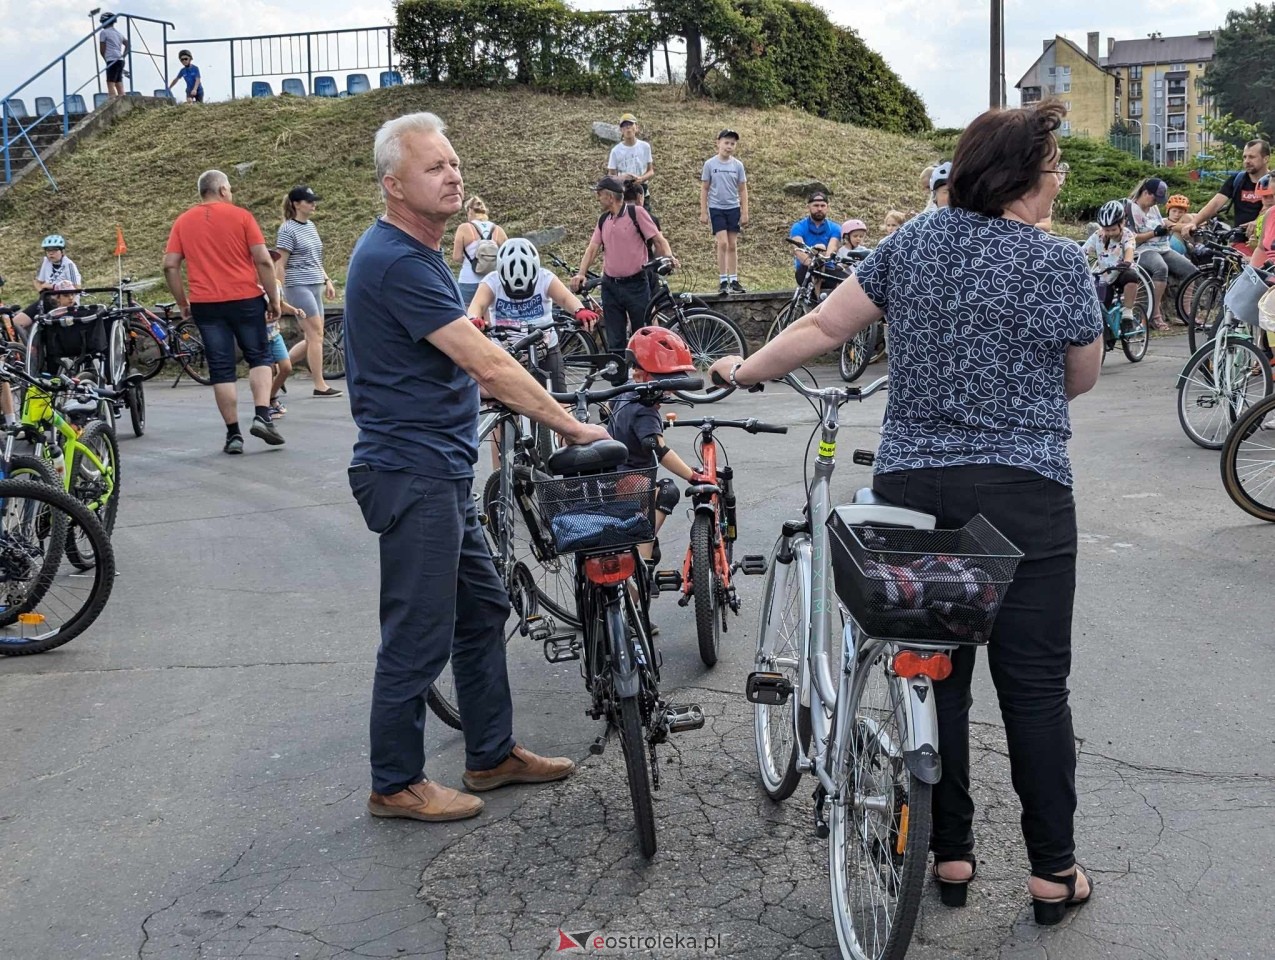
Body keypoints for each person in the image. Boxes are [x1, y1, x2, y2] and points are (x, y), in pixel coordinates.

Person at [709, 98, 1100, 925]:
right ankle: (1051, 873)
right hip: (1024, 494)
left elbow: (822, 324)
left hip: (913, 492)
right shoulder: (1060, 265)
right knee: (1032, 688)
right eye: (1054, 169)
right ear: (1023, 179)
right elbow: (1081, 378)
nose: (1058, 182)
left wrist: (745, 369)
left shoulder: (914, 242)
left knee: (939, 677)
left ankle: (947, 853)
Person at [345, 111, 609, 824]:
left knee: (483, 607)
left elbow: (476, 359)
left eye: (453, 161)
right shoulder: (397, 260)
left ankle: (490, 754)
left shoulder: (418, 252)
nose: (452, 173)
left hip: (437, 469)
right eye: (434, 167)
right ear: (394, 185)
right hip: (413, 472)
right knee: (417, 629)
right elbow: (485, 361)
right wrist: (570, 421)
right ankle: (394, 782)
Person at [163, 169, 284, 453]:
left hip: (206, 304)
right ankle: (263, 415)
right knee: (259, 357)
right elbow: (264, 262)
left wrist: (182, 302)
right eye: (229, 189)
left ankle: (233, 435)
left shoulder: (183, 221)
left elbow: (170, 265)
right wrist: (274, 299)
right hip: (245, 298)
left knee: (221, 368)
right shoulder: (242, 217)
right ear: (222, 190)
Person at [607, 327, 704, 571]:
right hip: (633, 482)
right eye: (663, 383)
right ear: (641, 375)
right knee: (668, 492)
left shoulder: (624, 392)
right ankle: (643, 553)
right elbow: (660, 451)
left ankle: (642, 545)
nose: (668, 391)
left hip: (611, 477)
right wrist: (693, 476)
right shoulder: (645, 411)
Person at [467, 237, 599, 394]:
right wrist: (474, 318)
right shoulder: (491, 281)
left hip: (545, 348)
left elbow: (564, 298)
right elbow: (478, 304)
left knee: (559, 400)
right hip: (505, 352)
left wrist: (579, 310)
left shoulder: (545, 278)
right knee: (505, 400)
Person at [571, 176, 677, 352]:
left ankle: (643, 375)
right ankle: (620, 377)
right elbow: (592, 248)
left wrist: (669, 257)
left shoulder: (637, 213)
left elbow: (658, 240)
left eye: (599, 194)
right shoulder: (604, 219)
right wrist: (581, 273)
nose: (597, 198)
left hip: (636, 284)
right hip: (610, 286)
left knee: (642, 334)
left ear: (610, 197)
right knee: (615, 338)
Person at [276, 185, 341, 398]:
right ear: (296, 204)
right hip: (297, 286)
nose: (313, 204)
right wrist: (279, 292)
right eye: (309, 201)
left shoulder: (310, 226)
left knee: (313, 336)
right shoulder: (287, 229)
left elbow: (315, 259)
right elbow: (280, 264)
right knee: (316, 335)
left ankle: (278, 368)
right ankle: (320, 385)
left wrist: (327, 279)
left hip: (315, 283)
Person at [1127, 177, 1194, 330]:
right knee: (1160, 268)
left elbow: (1164, 223)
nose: (1156, 202)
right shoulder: (1130, 209)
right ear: (1145, 192)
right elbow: (1131, 238)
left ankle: (1186, 312)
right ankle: (1154, 315)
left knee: (1191, 270)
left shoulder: (1153, 208)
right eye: (1155, 198)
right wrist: (1154, 233)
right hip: (1143, 250)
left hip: (1163, 247)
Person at [1187, 139, 1272, 238]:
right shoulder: (1237, 180)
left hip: (1267, 242)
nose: (1247, 161)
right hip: (1240, 241)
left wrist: (1259, 222)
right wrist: (1193, 223)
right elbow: (1215, 204)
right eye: (1244, 157)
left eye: (1252, 157)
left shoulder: (1272, 182)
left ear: (1265, 159)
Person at [700, 129, 749, 294]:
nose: (729, 146)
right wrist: (703, 211)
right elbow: (705, 188)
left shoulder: (738, 165)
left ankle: (734, 280)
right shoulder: (710, 164)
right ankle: (723, 280)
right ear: (718, 143)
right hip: (716, 208)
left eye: (732, 144)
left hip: (733, 208)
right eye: (726, 143)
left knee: (732, 245)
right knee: (722, 243)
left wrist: (745, 212)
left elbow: (742, 190)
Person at [1083, 200, 1142, 332]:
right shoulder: (1098, 235)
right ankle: (1106, 333)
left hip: (1122, 272)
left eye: (1113, 229)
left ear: (1122, 223)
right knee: (1101, 308)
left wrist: (1126, 262)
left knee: (1131, 277)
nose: (1109, 233)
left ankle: (1128, 313)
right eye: (1106, 229)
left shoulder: (1127, 235)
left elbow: (1129, 250)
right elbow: (1083, 251)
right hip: (1105, 275)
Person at [266, 250, 306, 418]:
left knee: (286, 367)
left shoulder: (276, 284)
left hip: (275, 334)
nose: (272, 266)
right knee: (267, 372)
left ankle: (270, 397)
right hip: (259, 337)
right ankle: (265, 405)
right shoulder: (252, 286)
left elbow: (281, 304)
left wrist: (295, 310)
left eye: (273, 264)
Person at [451, 196, 507, 305]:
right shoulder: (497, 229)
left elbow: (456, 257)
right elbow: (507, 256)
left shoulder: (464, 228)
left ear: (470, 211)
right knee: (491, 315)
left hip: (468, 281)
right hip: (492, 281)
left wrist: (475, 262)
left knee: (468, 316)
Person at [789, 192, 841, 285]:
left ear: (827, 207)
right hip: (806, 269)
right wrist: (813, 264)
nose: (819, 209)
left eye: (823, 205)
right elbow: (798, 251)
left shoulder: (835, 228)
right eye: (816, 205)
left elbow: (832, 248)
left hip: (828, 269)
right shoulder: (798, 227)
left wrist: (823, 261)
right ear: (808, 207)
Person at [607, 113, 655, 209]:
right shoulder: (616, 151)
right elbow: (611, 175)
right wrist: (622, 179)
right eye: (624, 126)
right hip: (623, 194)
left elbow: (651, 171)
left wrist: (641, 179)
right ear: (621, 130)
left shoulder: (645, 147)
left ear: (636, 127)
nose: (628, 128)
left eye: (630, 125)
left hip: (641, 192)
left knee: (645, 220)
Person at [98, 13, 128, 100]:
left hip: (111, 59)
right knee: (118, 81)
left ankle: (112, 99)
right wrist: (123, 55)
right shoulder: (118, 33)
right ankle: (122, 98)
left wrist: (106, 59)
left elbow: (102, 49)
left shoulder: (104, 32)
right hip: (120, 59)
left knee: (110, 81)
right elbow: (127, 44)